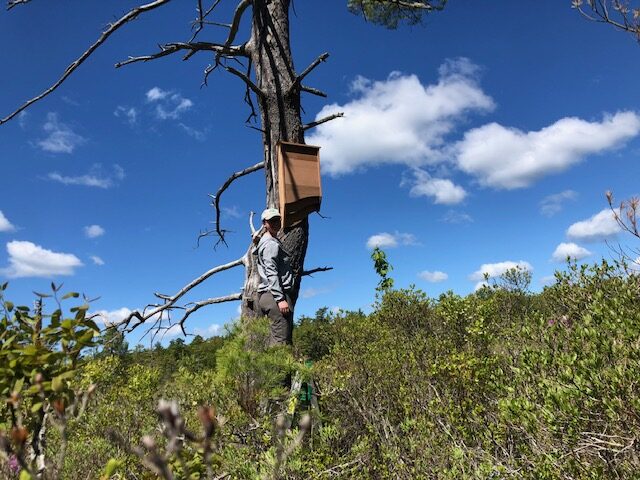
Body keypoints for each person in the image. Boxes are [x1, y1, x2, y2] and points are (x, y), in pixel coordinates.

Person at [257, 208, 294, 346]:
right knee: (281, 343)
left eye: (277, 220)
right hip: (275, 296)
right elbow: (271, 270)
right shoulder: (270, 244)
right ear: (264, 223)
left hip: (267, 295)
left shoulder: (265, 241)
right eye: (271, 221)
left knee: (275, 339)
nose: (276, 223)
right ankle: (279, 369)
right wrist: (280, 299)